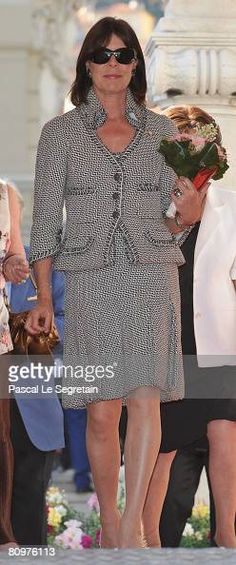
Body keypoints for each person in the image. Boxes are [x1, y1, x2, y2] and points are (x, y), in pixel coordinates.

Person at [26, 18, 205, 549]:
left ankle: (130, 531)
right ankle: (110, 522)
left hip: (152, 273)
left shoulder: (162, 132)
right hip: (88, 278)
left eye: (123, 54)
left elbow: (173, 217)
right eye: (102, 55)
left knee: (146, 400)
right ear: (87, 64)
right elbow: (43, 224)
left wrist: (187, 216)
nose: (112, 64)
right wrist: (42, 296)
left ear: (135, 64)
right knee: (102, 412)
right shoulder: (59, 133)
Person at [141, 106, 236, 549]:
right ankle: (145, 540)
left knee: (225, 429)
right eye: (180, 145)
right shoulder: (151, 206)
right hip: (165, 339)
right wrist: (182, 219)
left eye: (195, 146)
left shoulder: (232, 207)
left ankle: (227, 535)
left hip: (219, 339)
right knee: (161, 447)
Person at [8, 243, 65, 546]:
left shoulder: (39, 266)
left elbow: (70, 323)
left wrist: (26, 336)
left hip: (32, 409)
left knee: (28, 514)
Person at [0, 179, 29, 549]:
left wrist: (15, 266)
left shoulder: (6, 194)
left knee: (0, 436)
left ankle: (3, 534)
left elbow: (13, 256)